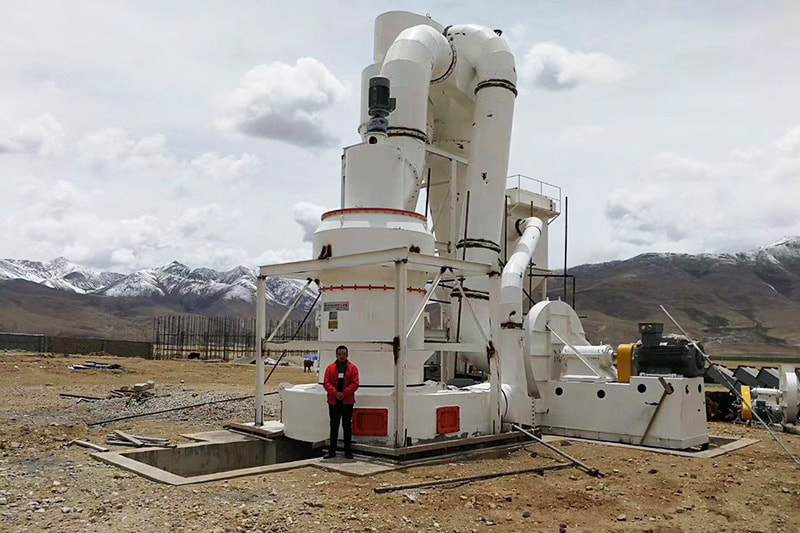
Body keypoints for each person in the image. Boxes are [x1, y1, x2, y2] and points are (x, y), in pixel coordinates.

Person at [323, 345, 359, 459]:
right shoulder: (330, 368)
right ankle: (332, 451)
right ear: (336, 355)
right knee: (334, 426)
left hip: (347, 402)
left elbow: (355, 383)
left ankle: (347, 451)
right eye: (340, 354)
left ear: (347, 355)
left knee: (347, 426)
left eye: (344, 354)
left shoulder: (353, 368)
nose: (342, 356)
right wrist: (336, 393)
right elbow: (326, 382)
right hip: (334, 402)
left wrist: (344, 393)